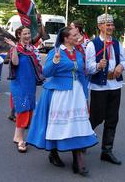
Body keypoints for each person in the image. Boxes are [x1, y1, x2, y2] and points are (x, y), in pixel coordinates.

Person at [27, 27, 97, 176]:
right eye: (74, 35)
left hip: (76, 93)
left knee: (76, 125)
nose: (77, 36)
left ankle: (78, 161)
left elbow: (82, 75)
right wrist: (54, 61)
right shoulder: (56, 51)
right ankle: (53, 152)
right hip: (60, 93)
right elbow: (46, 72)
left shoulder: (78, 53)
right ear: (66, 38)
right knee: (59, 125)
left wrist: (85, 95)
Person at [86, 14, 125, 165]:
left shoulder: (117, 43)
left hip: (115, 85)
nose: (110, 27)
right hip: (99, 87)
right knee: (96, 117)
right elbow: (88, 67)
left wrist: (120, 66)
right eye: (106, 24)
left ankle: (107, 150)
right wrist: (98, 66)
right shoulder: (93, 44)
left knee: (112, 118)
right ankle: (82, 143)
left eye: (111, 24)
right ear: (100, 26)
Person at [4, 26, 44, 153]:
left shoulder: (32, 49)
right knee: (23, 110)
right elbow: (15, 63)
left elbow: (38, 65)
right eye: (24, 34)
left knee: (29, 110)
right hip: (19, 84)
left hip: (30, 84)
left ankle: (17, 137)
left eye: (28, 33)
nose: (27, 36)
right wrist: (14, 47)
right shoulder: (16, 48)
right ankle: (20, 140)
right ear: (19, 35)